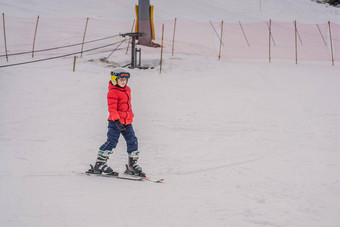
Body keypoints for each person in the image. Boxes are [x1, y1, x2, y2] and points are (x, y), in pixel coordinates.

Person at [89, 67, 145, 177]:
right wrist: (116, 120)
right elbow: (112, 108)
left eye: (125, 80)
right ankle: (100, 164)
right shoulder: (113, 92)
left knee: (133, 141)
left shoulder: (127, 90)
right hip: (115, 122)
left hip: (127, 122)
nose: (123, 82)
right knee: (112, 142)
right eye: (121, 80)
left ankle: (132, 166)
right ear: (115, 80)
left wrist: (130, 116)